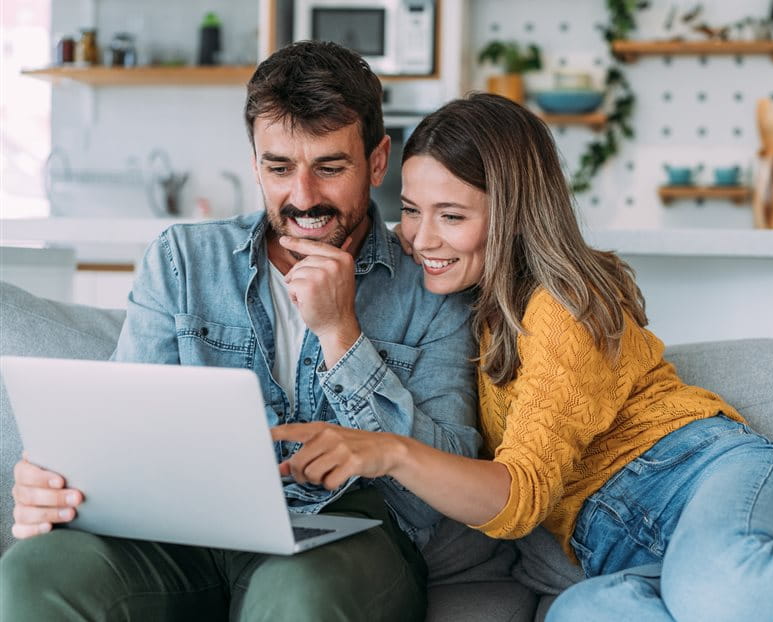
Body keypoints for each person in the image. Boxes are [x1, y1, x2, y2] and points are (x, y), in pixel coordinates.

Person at [270, 93, 773, 621]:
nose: (421, 237)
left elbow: (518, 498)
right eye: (412, 210)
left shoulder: (564, 305)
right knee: (585, 614)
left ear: (512, 212)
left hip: (703, 478)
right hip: (616, 556)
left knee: (724, 585)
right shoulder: (463, 309)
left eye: (452, 215)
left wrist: (387, 450)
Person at [0, 41, 480, 621]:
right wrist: (56, 481)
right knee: (35, 570)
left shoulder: (430, 281)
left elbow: (439, 489)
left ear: (378, 163)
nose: (303, 198)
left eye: (330, 168)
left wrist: (341, 334)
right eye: (279, 168)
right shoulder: (184, 260)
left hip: (351, 535)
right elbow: (125, 437)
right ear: (255, 163)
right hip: (187, 533)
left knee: (297, 595)